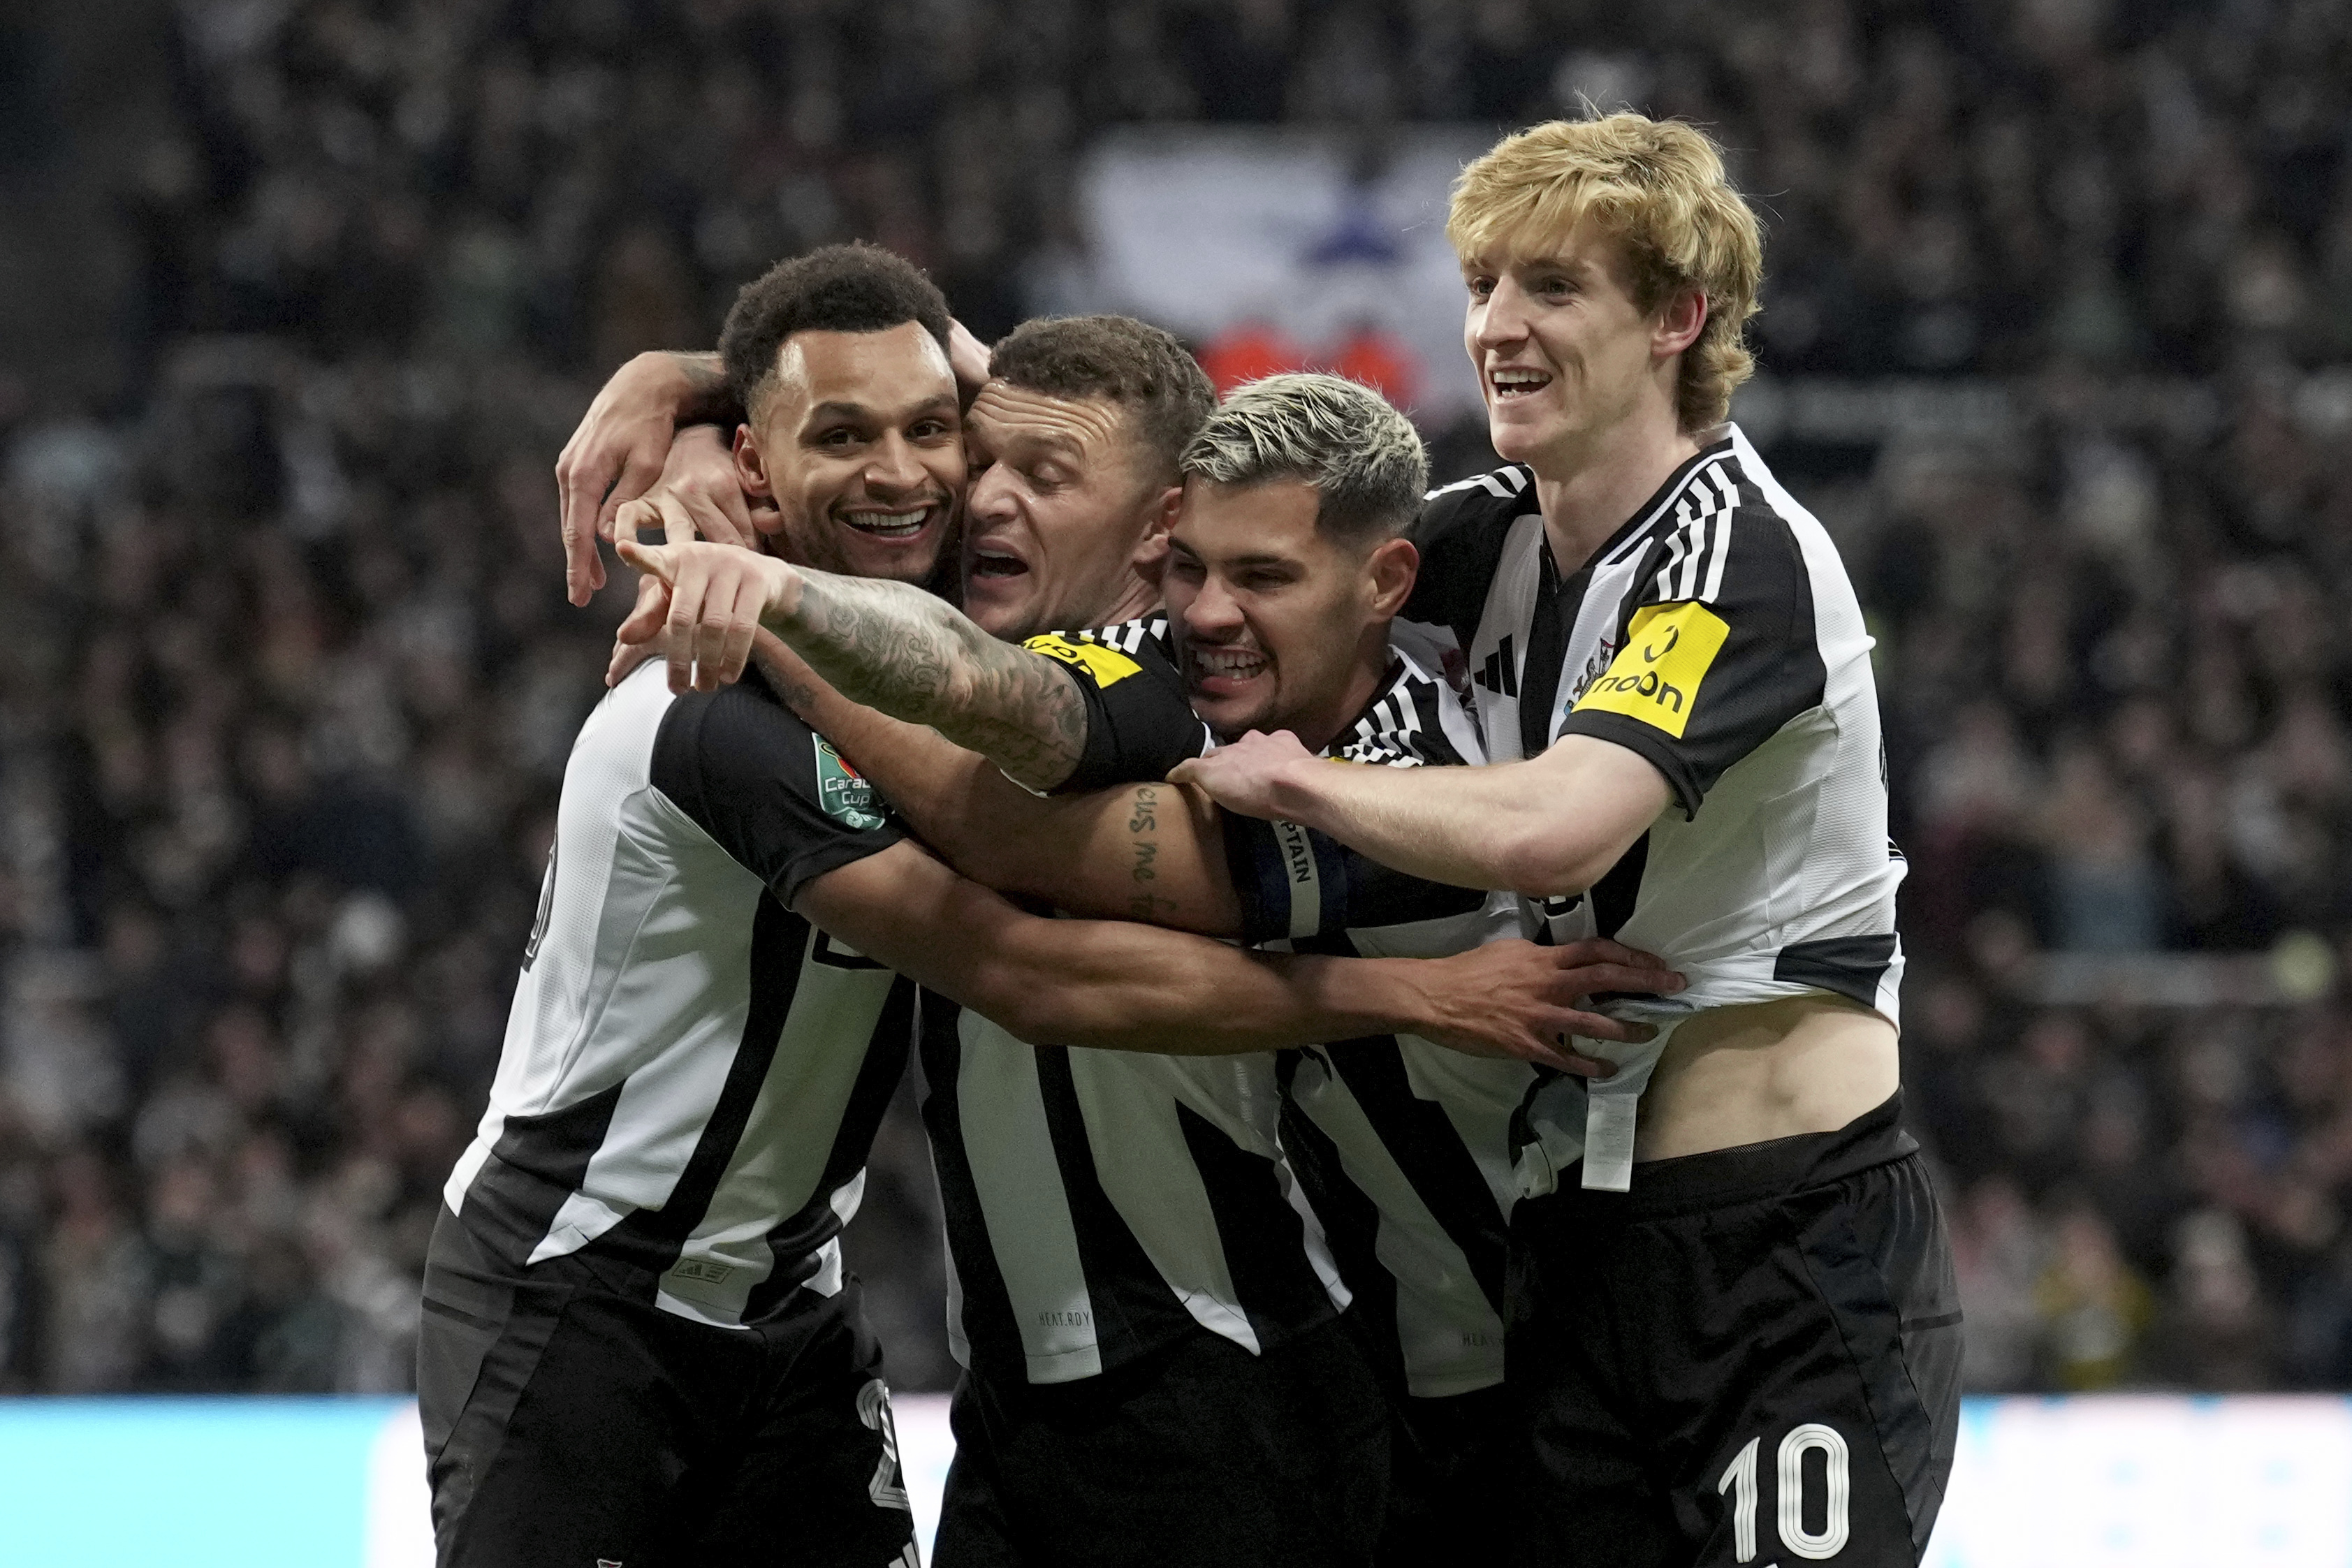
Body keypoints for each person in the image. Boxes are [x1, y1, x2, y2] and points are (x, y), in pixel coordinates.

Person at [427, 245, 1609, 1568]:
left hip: (1214, 1371)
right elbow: (908, 372)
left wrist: (769, 591)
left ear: (1161, 521)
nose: (966, 492)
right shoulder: (787, 668)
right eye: (973, 462)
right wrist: (692, 393)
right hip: (616, 1296)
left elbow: (1020, 872)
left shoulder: (1176, 688)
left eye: (1034, 479)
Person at [1171, 114, 1964, 1567]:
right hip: (1572, 1258)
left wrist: (1304, 786)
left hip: (1782, 1253)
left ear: (1677, 317)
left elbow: (1557, 828)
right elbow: (1267, 543)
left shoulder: (1733, 553)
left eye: (1551, 287)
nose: (1495, 327)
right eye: (1482, 285)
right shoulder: (1500, 537)